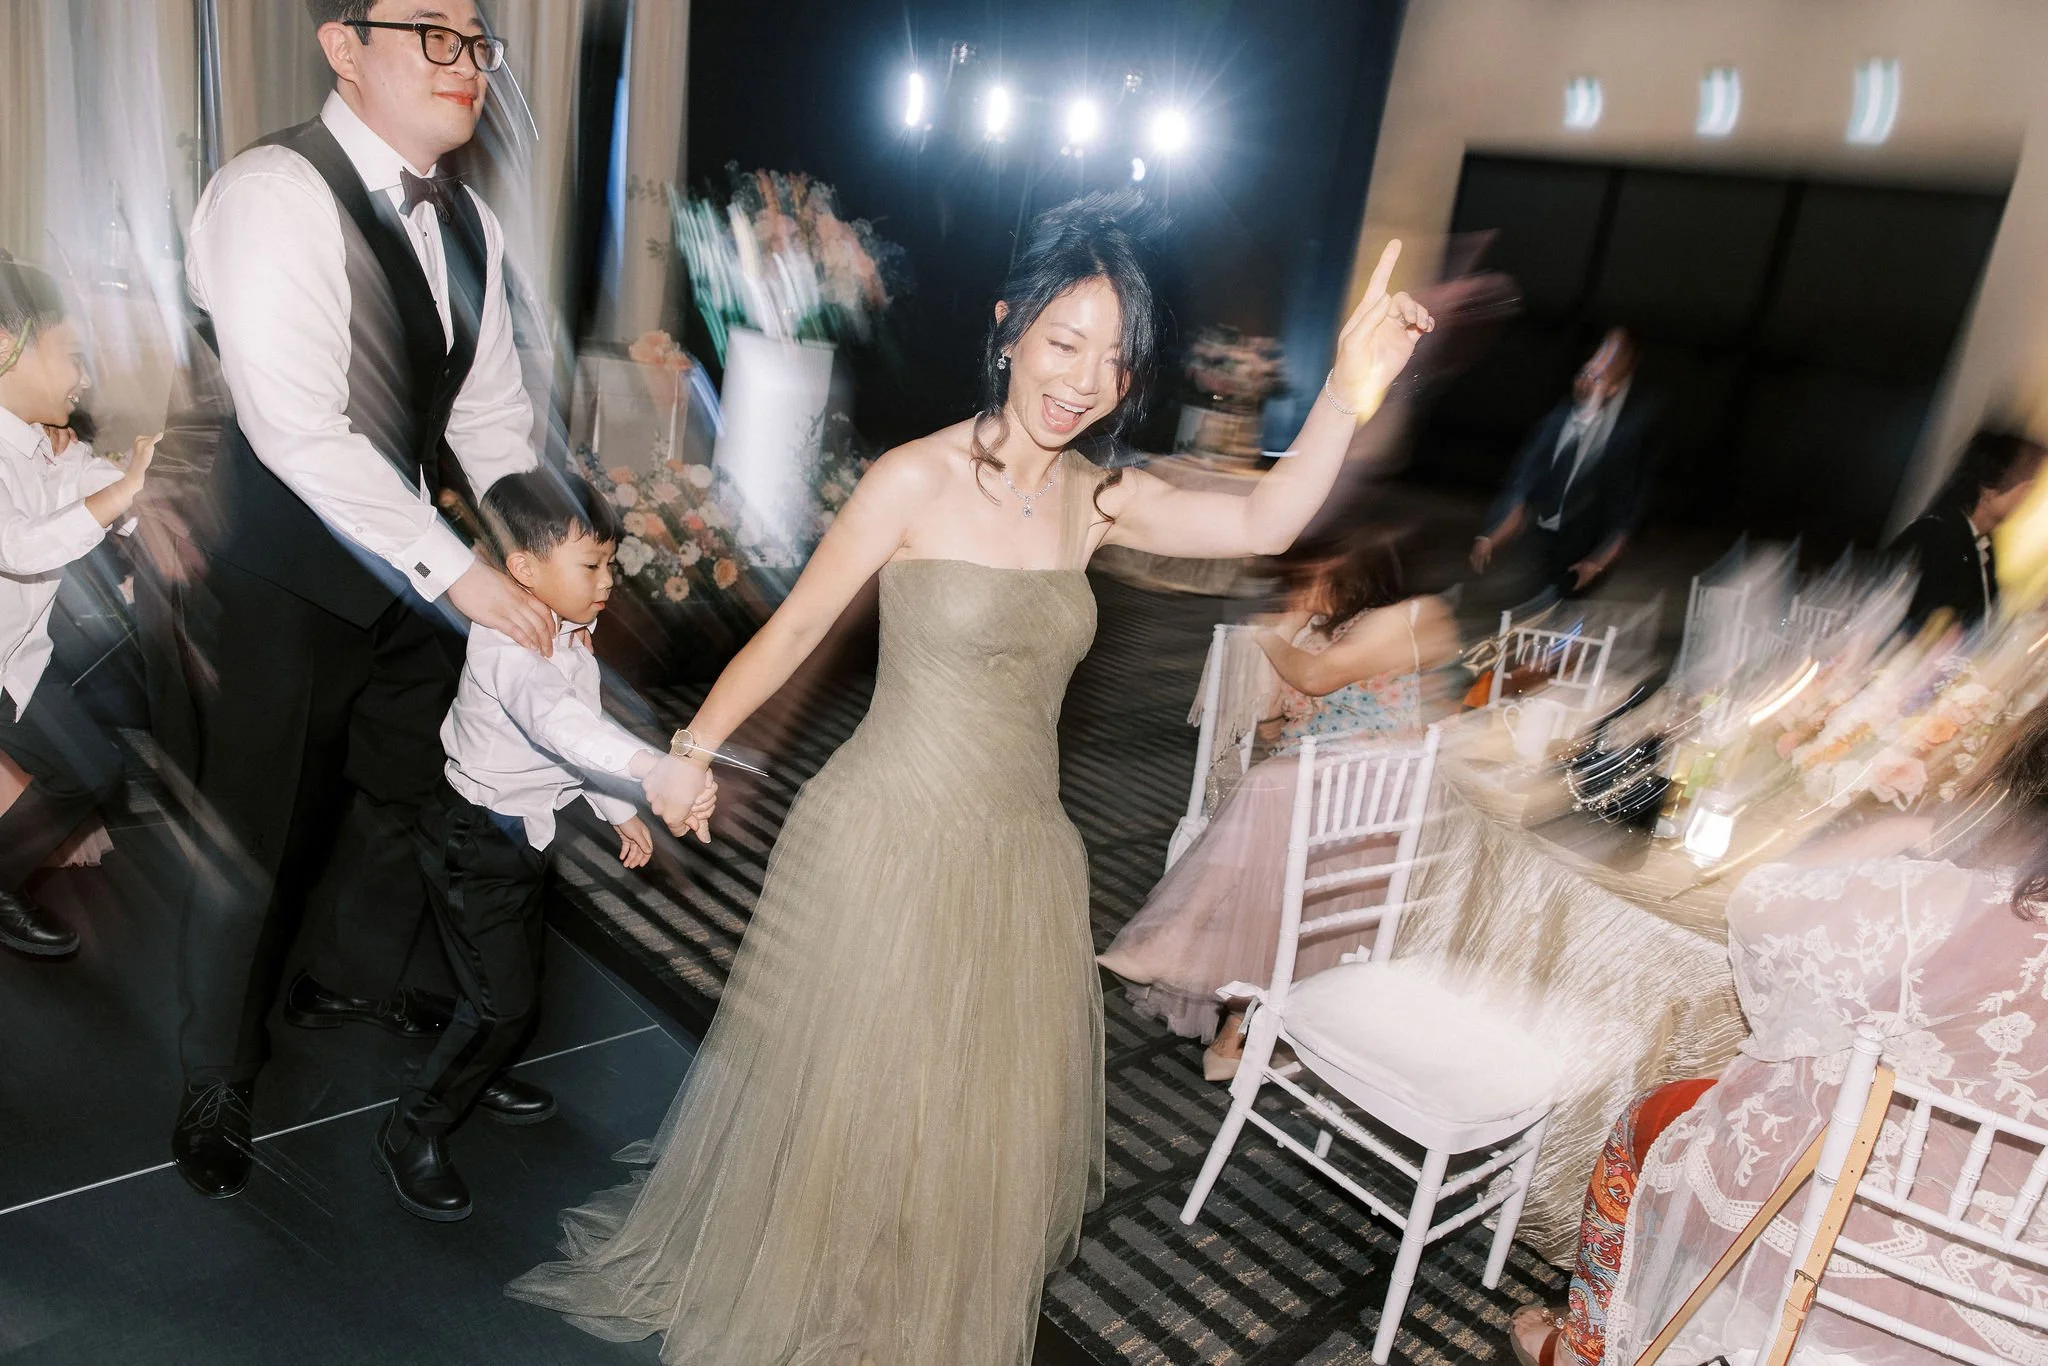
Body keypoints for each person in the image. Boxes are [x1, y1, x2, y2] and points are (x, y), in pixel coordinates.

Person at [506, 195, 1433, 1363]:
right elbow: (793, 632)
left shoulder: (1097, 500)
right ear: (1008, 329)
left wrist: (1348, 397)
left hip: (1018, 852)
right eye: (1063, 342)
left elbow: (1266, 516)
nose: (1083, 380)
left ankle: (899, 1301)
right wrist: (681, 755)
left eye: (1111, 358)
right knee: (857, 1091)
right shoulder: (912, 478)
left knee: (956, 1119)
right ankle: (812, 1284)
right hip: (886, 832)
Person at [163, 0, 604, 1201]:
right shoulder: (271, 192)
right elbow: (299, 430)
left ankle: (383, 986)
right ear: (343, 46)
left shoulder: (468, 221)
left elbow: (486, 417)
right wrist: (464, 572)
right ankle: (216, 1073)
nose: (467, 65)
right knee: (258, 837)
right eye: (435, 35)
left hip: (415, 577)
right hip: (281, 581)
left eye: (477, 42)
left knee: (443, 794)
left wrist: (537, 550)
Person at [1506, 702, 2048, 1366]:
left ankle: (1588, 1348)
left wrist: (1905, 828)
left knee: (1653, 1118)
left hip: (1861, 1231)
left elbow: (1761, 903)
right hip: (2029, 1284)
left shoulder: (1954, 901)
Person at [375, 469, 713, 1222]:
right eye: (591, 566)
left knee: (509, 981)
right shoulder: (507, 643)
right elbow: (557, 726)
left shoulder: (568, 638)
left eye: (611, 565)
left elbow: (576, 739)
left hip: (520, 837)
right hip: (474, 837)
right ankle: (413, 1125)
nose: (608, 582)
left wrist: (617, 806)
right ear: (524, 571)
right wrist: (651, 770)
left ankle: (480, 1067)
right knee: (504, 1004)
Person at [1097, 532, 1458, 1078]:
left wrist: (1269, 640)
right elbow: (1265, 718)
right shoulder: (1315, 632)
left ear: (1354, 569)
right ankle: (1236, 1030)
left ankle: (1175, 949)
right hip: (1311, 785)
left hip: (1377, 786)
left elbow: (1316, 678)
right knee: (1269, 857)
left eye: (1314, 573)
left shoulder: (1406, 614)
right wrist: (1289, 627)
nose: (1303, 585)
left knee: (1267, 792)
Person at [0, 253, 153, 960]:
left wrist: (143, 489)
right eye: (72, 356)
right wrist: (117, 497)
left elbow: (84, 482)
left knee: (90, 769)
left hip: (14, 664)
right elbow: (22, 547)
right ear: (6, 345)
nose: (83, 378)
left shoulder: (37, 442)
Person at [1470, 327, 1659, 601]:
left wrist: (1599, 561)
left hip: (1583, 552)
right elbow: (1524, 485)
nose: (1586, 382)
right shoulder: (1555, 423)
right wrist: (1493, 536)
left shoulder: (1630, 434)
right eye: (1584, 374)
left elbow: (1626, 511)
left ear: (1614, 387)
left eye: (1597, 378)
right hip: (1540, 547)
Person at [1890, 427, 2044, 632]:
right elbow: (1914, 629)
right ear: (1989, 487)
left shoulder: (1982, 545)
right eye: (2026, 487)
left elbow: (1981, 629)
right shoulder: (1934, 537)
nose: (2028, 500)